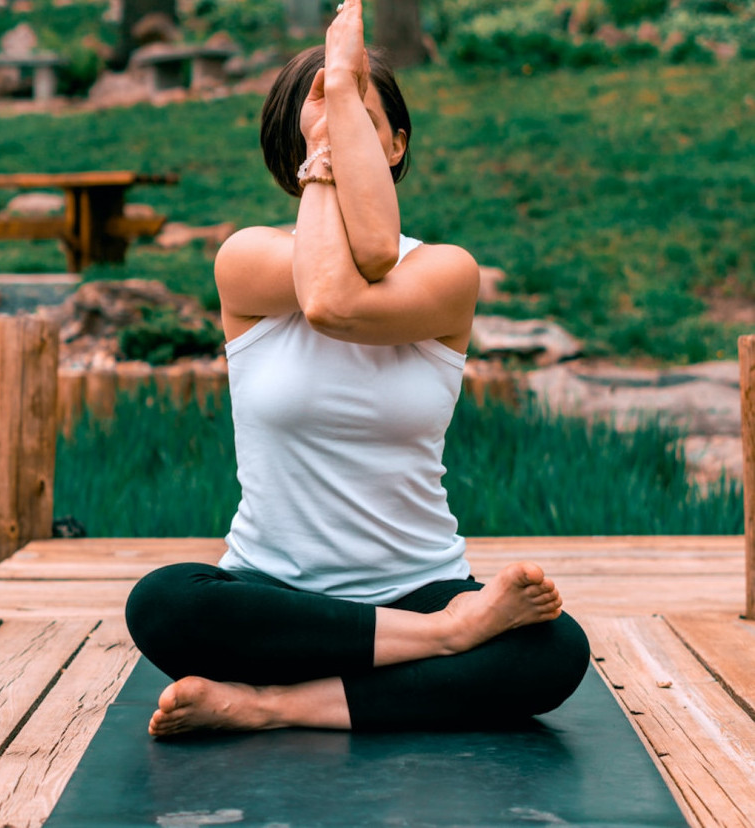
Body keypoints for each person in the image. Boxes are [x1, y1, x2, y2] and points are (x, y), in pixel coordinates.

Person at [125, 0, 589, 737]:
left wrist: (341, 91)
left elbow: (361, 276)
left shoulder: (444, 273)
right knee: (163, 603)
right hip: (276, 596)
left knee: (556, 653)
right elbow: (327, 295)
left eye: (360, 127)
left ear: (396, 145)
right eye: (320, 133)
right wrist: (451, 632)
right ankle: (441, 645)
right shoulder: (247, 259)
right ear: (296, 156)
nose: (339, 146)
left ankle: (269, 705)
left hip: (419, 586)